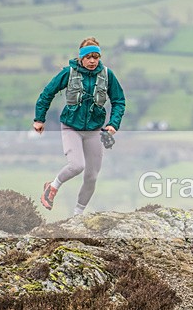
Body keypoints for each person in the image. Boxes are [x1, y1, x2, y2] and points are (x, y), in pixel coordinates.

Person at [33, 37, 126, 215]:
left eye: (95, 57)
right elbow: (47, 93)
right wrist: (39, 119)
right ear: (81, 58)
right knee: (76, 165)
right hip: (71, 127)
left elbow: (119, 101)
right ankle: (52, 187)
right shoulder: (68, 73)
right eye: (88, 57)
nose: (92, 61)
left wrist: (113, 124)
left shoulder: (107, 75)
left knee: (91, 177)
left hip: (94, 130)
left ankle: (78, 215)